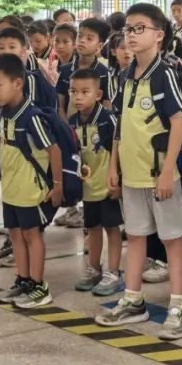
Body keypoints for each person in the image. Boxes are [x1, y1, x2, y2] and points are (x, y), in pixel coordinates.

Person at [95, 3, 182, 340]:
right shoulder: (124, 76)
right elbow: (120, 125)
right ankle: (134, 299)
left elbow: (178, 124)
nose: (131, 36)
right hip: (131, 175)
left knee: (171, 240)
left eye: (140, 29)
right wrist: (113, 166)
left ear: (159, 35)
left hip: (159, 175)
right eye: (128, 30)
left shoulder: (164, 73)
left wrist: (167, 172)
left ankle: (179, 308)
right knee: (134, 236)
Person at [0, 54, 63, 309]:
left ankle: (39, 286)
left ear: (18, 83)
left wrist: (58, 186)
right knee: (16, 235)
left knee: (32, 235)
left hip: (31, 190)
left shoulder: (31, 117)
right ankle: (23, 280)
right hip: (12, 190)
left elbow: (54, 151)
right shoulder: (3, 113)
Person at [69, 68, 124, 296]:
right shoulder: (72, 121)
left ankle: (114, 272)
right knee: (92, 228)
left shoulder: (106, 119)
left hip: (107, 186)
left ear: (98, 94)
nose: (78, 97)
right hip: (88, 187)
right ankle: (94, 269)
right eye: (73, 91)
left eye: (84, 91)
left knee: (112, 228)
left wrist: (119, 181)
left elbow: (119, 151)